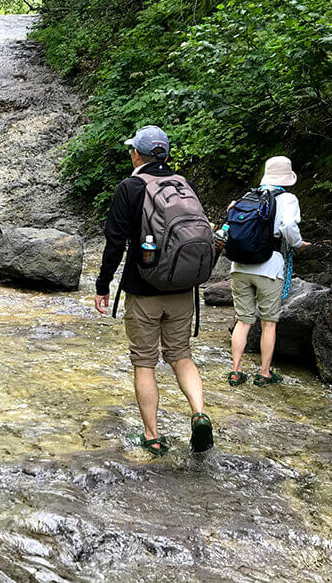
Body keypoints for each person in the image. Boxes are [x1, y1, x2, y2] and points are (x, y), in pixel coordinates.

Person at [94, 125, 214, 456]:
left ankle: (152, 435)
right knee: (181, 356)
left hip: (143, 289)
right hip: (182, 287)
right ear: (165, 154)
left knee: (145, 363)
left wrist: (102, 286)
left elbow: (115, 242)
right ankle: (199, 414)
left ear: (137, 153)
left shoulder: (130, 187)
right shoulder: (182, 185)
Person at [227, 156, 310, 387]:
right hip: (269, 267)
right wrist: (297, 244)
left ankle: (235, 370)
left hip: (239, 266)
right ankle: (264, 373)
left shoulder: (247, 196)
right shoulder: (288, 199)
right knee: (268, 323)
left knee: (243, 321)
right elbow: (288, 227)